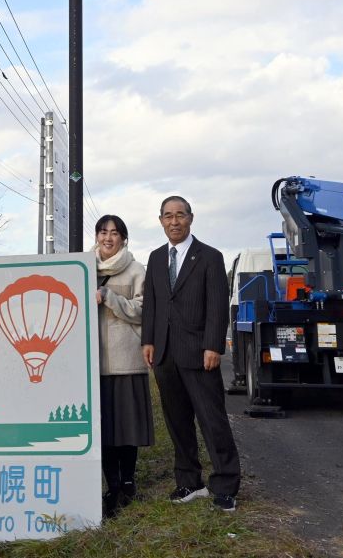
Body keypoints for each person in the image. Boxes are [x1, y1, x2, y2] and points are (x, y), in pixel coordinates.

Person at [141, 196, 240, 512]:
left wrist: (213, 344)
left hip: (200, 353)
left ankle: (225, 485)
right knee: (177, 421)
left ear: (191, 218)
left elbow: (217, 305)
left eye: (180, 215)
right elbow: (153, 304)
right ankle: (189, 481)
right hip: (165, 354)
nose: (174, 221)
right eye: (168, 216)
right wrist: (148, 340)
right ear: (160, 220)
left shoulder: (210, 257)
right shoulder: (156, 258)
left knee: (212, 420)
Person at [94, 214, 154, 518]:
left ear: (123, 238)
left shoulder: (135, 270)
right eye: (103, 232)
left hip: (127, 359)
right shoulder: (82, 268)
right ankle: (111, 484)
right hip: (93, 363)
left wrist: (109, 298)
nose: (108, 238)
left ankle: (128, 482)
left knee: (127, 428)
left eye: (114, 233)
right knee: (103, 428)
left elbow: (144, 311)